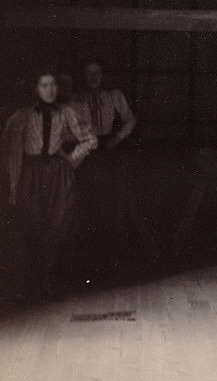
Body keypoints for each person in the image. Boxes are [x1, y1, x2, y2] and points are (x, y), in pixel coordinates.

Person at [2, 68, 98, 299]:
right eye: (44, 85)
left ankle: (49, 287)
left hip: (56, 176)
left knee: (56, 227)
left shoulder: (65, 113)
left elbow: (90, 138)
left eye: (53, 85)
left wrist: (70, 161)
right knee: (29, 226)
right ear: (35, 89)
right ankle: (25, 289)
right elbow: (13, 155)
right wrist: (14, 188)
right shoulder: (21, 117)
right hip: (31, 176)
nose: (50, 90)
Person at [70, 59, 139, 279]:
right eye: (88, 73)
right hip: (85, 154)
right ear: (82, 76)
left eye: (97, 72)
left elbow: (130, 119)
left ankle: (110, 255)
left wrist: (117, 138)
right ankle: (87, 259)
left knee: (111, 201)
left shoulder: (113, 96)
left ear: (103, 75)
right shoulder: (74, 100)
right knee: (87, 202)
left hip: (107, 152)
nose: (93, 77)